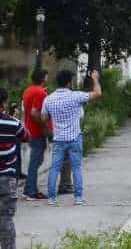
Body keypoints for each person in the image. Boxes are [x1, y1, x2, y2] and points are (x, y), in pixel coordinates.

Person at [41, 69, 102, 206]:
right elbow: (98, 93)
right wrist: (95, 79)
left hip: (58, 139)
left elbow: (43, 117)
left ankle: (51, 199)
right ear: (69, 82)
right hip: (74, 137)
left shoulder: (48, 99)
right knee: (76, 168)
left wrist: (52, 125)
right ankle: (78, 198)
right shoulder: (76, 96)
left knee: (54, 168)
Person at [1, 86, 28, 249]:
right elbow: (25, 136)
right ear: (4, 103)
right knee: (6, 219)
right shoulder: (13, 123)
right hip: (7, 179)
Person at [21, 69, 50, 201]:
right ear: (43, 78)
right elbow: (34, 113)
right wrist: (44, 127)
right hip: (37, 131)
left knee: (36, 160)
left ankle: (29, 189)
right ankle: (31, 191)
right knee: (35, 161)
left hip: (29, 129)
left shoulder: (28, 90)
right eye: (46, 77)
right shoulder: (40, 92)